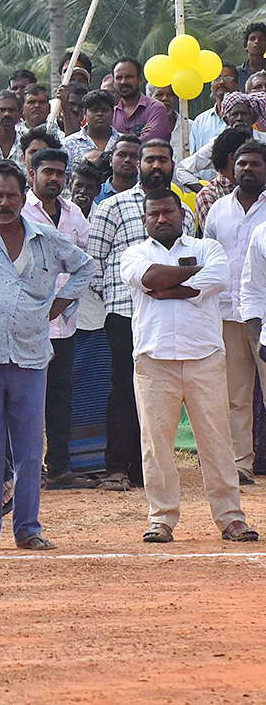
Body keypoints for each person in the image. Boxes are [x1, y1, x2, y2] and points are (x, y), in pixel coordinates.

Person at [0, 162, 93, 552]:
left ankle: (27, 528)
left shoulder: (46, 239)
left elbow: (84, 267)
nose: (4, 203)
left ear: (23, 197)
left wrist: (61, 304)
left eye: (11, 196)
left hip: (32, 356)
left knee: (30, 449)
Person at [120, 189, 258, 544]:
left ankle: (231, 517)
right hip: (154, 360)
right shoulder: (134, 254)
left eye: (168, 212)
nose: (162, 219)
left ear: (183, 214)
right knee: (156, 444)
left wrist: (173, 284)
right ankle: (161, 519)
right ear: (144, 219)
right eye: (154, 214)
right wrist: (192, 280)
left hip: (204, 359)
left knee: (217, 441)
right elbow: (148, 279)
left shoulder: (208, 247)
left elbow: (220, 278)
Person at [87, 139, 195, 492]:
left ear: (172, 163)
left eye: (162, 159)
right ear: (139, 164)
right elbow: (95, 264)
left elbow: (191, 266)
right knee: (124, 389)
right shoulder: (113, 207)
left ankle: (149, 471)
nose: (156, 165)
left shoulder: (185, 213)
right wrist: (118, 300)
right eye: (149, 159)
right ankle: (118, 467)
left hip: (174, 315)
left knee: (162, 393)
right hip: (125, 314)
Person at [20, 149, 96, 489]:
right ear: (32, 173)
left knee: (60, 396)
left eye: (59, 173)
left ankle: (60, 468)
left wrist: (60, 304)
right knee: (25, 399)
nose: (54, 178)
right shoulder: (19, 210)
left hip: (63, 324)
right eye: (47, 171)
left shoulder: (75, 214)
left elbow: (85, 263)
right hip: (25, 325)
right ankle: (26, 469)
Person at [202, 140, 266, 485]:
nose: (248, 169)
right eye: (242, 163)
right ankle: (241, 464)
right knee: (235, 395)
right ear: (232, 166)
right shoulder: (218, 210)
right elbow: (207, 261)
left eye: (255, 164)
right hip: (226, 313)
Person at [176, 91, 266, 189]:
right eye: (235, 114)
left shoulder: (263, 141)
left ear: (253, 118)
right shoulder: (219, 144)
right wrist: (205, 192)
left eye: (244, 114)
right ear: (226, 120)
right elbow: (182, 169)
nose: (239, 118)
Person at [110, 58, 170, 141]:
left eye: (129, 77)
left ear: (140, 79)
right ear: (113, 82)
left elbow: (149, 142)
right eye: (119, 77)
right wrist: (137, 136)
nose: (123, 82)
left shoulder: (156, 109)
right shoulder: (112, 114)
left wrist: (117, 141)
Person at [190, 64, 242, 156]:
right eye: (217, 78)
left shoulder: (242, 118)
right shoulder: (200, 121)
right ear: (211, 85)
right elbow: (193, 155)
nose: (221, 82)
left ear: (237, 84)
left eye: (228, 78)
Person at [64, 90, 118, 171]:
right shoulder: (68, 144)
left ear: (113, 113)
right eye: (94, 110)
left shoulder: (122, 142)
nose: (99, 114)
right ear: (84, 113)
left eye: (104, 110)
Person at [96, 135, 141, 203]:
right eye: (122, 155)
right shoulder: (97, 194)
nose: (127, 160)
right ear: (110, 160)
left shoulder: (147, 193)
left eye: (134, 156)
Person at [237, 21, 266, 91]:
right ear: (245, 45)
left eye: (261, 39)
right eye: (252, 39)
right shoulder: (237, 73)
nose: (257, 42)